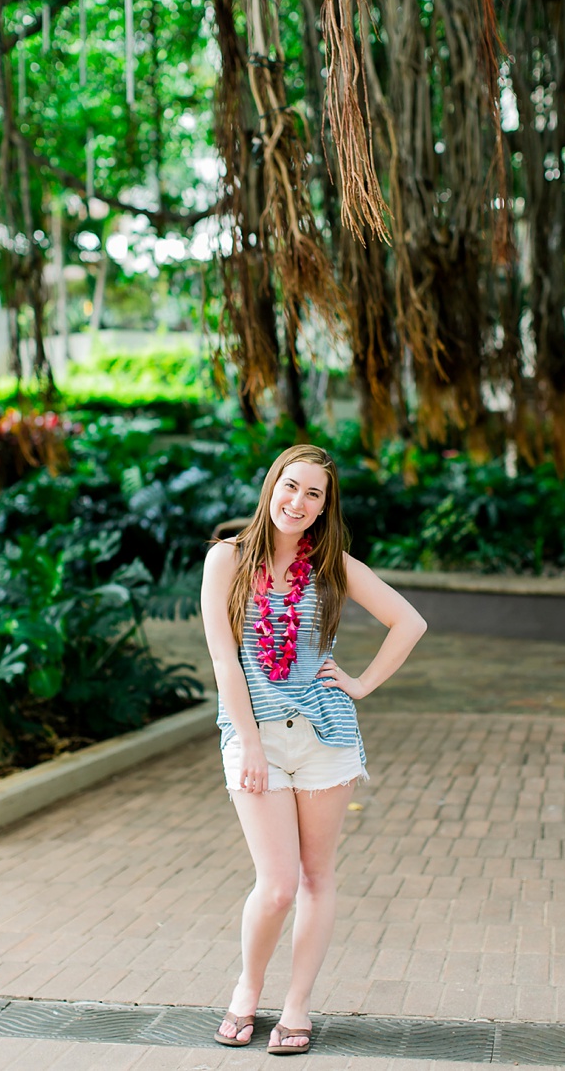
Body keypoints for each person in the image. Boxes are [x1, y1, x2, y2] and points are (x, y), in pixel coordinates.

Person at [201, 444, 426, 1055]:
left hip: (327, 738)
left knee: (317, 877)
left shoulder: (331, 565)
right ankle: (248, 989)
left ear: (325, 507)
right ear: (271, 483)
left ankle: (297, 1005)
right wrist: (247, 741)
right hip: (256, 737)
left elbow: (409, 622)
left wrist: (360, 683)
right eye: (289, 485)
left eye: (313, 494)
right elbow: (225, 657)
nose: (296, 502)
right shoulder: (226, 560)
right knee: (276, 884)